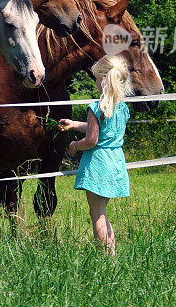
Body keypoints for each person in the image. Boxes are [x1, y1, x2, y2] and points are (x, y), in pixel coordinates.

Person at [59, 55, 132, 255]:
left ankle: (106, 258)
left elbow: (92, 140)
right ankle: (112, 252)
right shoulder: (122, 108)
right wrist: (74, 124)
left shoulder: (97, 107)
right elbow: (104, 130)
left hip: (99, 164)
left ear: (102, 80)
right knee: (102, 212)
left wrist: (74, 145)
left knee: (97, 214)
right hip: (115, 163)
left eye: (97, 78)